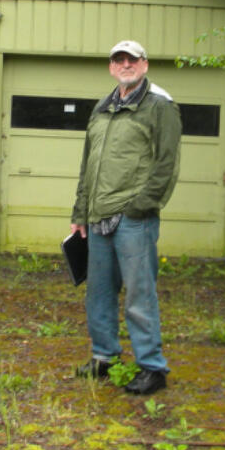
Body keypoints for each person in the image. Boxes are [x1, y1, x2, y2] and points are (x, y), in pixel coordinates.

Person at [70, 39, 182, 395]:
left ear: (145, 65)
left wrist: (142, 205)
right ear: (111, 67)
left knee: (139, 294)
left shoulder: (159, 106)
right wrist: (80, 212)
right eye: (119, 60)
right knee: (98, 292)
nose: (125, 64)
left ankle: (152, 367)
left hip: (134, 218)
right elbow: (88, 164)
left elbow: (167, 163)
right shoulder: (102, 108)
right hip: (98, 217)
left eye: (132, 59)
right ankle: (105, 357)